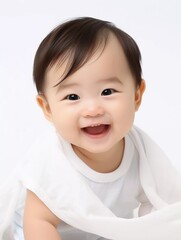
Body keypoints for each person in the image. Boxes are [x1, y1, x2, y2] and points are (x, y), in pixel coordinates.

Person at [1, 17, 181, 240]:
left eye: (107, 92)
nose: (93, 109)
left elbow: (162, 206)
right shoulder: (51, 160)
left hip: (99, 233)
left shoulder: (142, 152)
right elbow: (39, 220)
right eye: (73, 96)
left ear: (136, 95)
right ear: (47, 108)